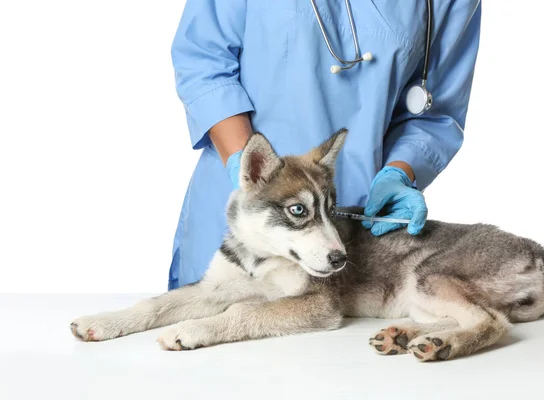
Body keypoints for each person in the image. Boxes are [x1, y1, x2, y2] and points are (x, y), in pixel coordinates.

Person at [168, 0, 482, 290]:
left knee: (332, 342)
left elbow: (434, 112)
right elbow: (203, 62)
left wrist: (400, 173)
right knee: (209, 331)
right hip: (244, 217)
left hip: (353, 233)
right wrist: (245, 164)